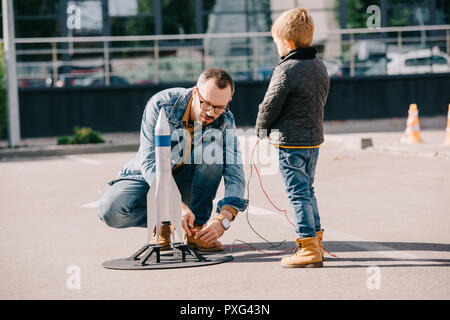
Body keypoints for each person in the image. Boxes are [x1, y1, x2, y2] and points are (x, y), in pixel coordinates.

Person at [98, 68, 248, 252]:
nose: (210, 113)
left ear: (228, 102)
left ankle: (197, 231)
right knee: (110, 211)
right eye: (206, 104)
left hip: (187, 181)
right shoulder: (162, 105)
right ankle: (163, 224)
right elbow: (150, 163)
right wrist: (174, 207)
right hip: (149, 178)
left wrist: (223, 220)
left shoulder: (225, 121)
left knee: (212, 149)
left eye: (219, 107)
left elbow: (235, 174)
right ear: (195, 92)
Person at [255, 8, 330, 268]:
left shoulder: (286, 68)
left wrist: (261, 128)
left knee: (297, 194)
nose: (276, 46)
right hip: (313, 140)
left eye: (276, 42)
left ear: (286, 43)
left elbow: (269, 104)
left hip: (290, 141)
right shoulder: (320, 66)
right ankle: (317, 241)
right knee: (307, 190)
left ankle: (307, 246)